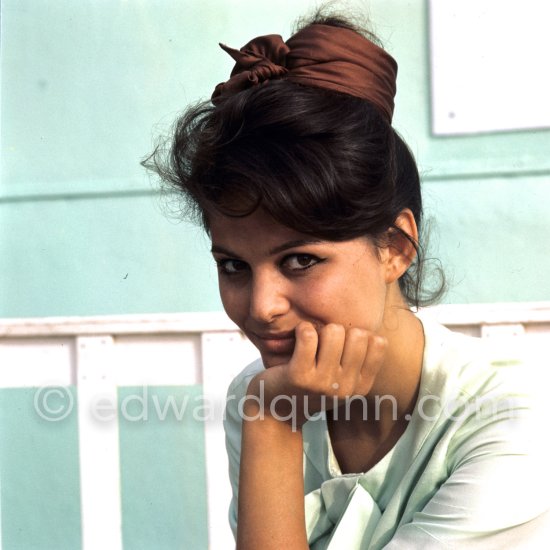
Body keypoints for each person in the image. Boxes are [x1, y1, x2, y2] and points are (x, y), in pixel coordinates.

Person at [145, 11, 550, 549]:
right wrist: (270, 422)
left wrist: (271, 421)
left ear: (395, 248)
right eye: (233, 266)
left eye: (300, 261)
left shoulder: (510, 423)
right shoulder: (264, 394)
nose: (262, 307)